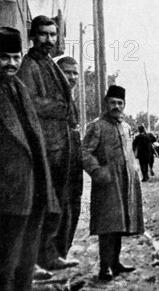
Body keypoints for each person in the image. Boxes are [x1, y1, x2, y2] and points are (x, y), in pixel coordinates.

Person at [16, 15, 79, 271]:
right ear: (32, 36)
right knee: (40, 206)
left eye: (53, 35)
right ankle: (31, 263)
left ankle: (48, 255)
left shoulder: (49, 64)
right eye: (43, 34)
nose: (49, 40)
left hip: (59, 147)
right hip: (42, 147)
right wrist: (59, 107)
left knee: (54, 204)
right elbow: (30, 102)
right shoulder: (28, 65)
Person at [0, 27, 61, 291]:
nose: (12, 63)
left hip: (32, 193)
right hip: (6, 198)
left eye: (16, 57)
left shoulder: (19, 88)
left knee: (25, 264)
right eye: (3, 57)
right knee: (4, 266)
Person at [81, 85, 144, 281]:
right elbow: (84, 153)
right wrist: (97, 171)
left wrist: (134, 170)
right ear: (106, 103)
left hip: (126, 181)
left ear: (124, 105)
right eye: (112, 103)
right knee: (107, 225)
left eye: (120, 103)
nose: (116, 106)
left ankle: (115, 262)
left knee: (120, 223)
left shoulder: (125, 126)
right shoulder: (97, 126)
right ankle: (104, 267)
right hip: (107, 181)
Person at [55, 56, 84, 259]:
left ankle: (62, 258)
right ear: (57, 73)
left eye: (75, 73)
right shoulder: (55, 99)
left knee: (72, 214)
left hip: (73, 170)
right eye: (67, 72)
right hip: (58, 169)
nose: (72, 77)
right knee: (59, 219)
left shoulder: (70, 99)